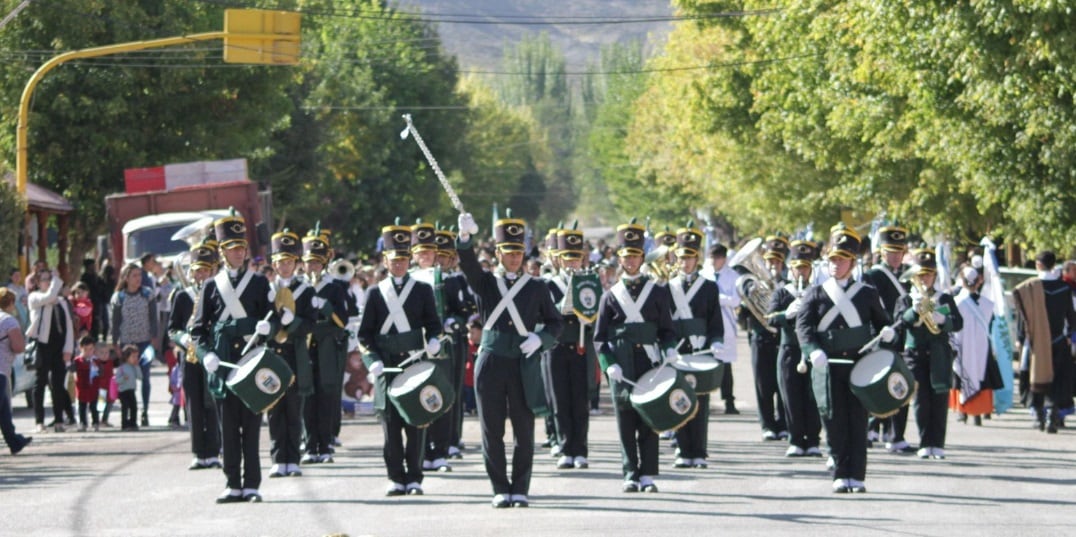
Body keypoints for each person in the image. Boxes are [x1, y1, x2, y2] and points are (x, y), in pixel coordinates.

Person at [455, 210, 563, 508]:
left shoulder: (537, 287)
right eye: (508, 251)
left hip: (522, 362)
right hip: (490, 361)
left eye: (518, 252)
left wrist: (540, 339)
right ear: (499, 253)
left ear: (524, 253)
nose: (514, 257)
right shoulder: (487, 284)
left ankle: (521, 488)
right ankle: (499, 488)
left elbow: (556, 323)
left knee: (524, 429)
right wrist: (464, 239)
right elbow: (468, 265)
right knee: (492, 429)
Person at [796, 223, 893, 493]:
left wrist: (886, 334)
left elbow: (882, 323)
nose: (836, 265)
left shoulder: (866, 293)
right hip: (827, 367)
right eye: (833, 260)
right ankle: (840, 473)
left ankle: (857, 476)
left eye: (841, 260)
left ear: (852, 262)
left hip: (859, 365)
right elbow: (803, 328)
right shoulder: (816, 294)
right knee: (834, 421)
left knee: (857, 421)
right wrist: (812, 350)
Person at [191, 211, 277, 503]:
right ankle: (232, 483)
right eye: (233, 249)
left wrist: (268, 327)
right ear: (223, 252)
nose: (239, 253)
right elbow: (198, 330)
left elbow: (273, 319)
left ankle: (252, 483)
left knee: (251, 426)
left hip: (251, 363)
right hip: (223, 362)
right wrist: (206, 356)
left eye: (242, 248)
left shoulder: (259, 283)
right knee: (227, 427)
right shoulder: (211, 286)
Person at [359, 222, 442, 496]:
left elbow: (433, 323)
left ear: (410, 260)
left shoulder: (422, 290)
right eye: (394, 260)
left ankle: (415, 477)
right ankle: (395, 477)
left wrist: (432, 340)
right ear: (385, 260)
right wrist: (373, 362)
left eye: (404, 260)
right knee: (391, 425)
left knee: (416, 423)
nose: (399, 265)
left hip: (414, 362)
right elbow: (364, 335)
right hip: (386, 365)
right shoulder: (374, 292)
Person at [595, 220, 677, 494]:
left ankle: (648, 476)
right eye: (626, 256)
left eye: (635, 255)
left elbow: (666, 330)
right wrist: (609, 365)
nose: (630, 260)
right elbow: (600, 338)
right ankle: (630, 472)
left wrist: (670, 350)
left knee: (649, 420)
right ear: (619, 259)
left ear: (642, 257)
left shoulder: (657, 292)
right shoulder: (609, 296)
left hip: (650, 363)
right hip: (622, 364)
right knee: (626, 420)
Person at [895, 247, 963, 459]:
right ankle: (925, 442)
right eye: (921, 274)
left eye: (928, 274)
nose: (925, 278)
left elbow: (958, 323)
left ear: (934, 275)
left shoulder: (944, 299)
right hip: (915, 354)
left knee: (940, 398)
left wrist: (943, 320)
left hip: (939, 354)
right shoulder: (907, 298)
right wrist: (913, 311)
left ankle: (938, 444)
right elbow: (899, 322)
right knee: (921, 400)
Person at [669, 224, 726, 468]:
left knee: (701, 403)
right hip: (679, 351)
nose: (685, 263)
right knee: (679, 400)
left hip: (701, 350)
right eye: (682, 258)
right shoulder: (668, 288)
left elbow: (715, 321)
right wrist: (668, 347)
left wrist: (716, 342)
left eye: (690, 258)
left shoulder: (709, 287)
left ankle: (699, 452)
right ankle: (683, 450)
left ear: (697, 259)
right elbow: (665, 323)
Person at [545, 225, 599, 470]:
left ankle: (581, 449)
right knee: (559, 400)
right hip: (557, 346)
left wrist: (588, 316)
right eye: (567, 258)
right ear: (559, 259)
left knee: (580, 400)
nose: (572, 264)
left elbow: (598, 313)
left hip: (580, 346)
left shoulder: (590, 281)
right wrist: (562, 307)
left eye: (576, 259)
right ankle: (566, 448)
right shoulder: (549, 284)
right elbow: (543, 313)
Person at [170, 238, 223, 470]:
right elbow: (172, 328)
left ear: (213, 270)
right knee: (193, 404)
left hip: (211, 354)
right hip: (190, 355)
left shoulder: (218, 293)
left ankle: (214, 450)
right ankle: (198, 452)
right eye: (197, 270)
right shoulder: (183, 296)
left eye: (205, 270)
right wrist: (183, 338)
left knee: (212, 401)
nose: (201, 274)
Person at [768, 239, 824, 458]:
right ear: (791, 268)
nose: (801, 272)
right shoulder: (782, 292)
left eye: (805, 267)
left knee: (813, 396)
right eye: (797, 267)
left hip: (812, 350)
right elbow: (770, 319)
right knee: (790, 396)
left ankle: (813, 440)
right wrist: (787, 314)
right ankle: (795, 439)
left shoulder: (818, 291)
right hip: (789, 349)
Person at [266, 229, 315, 478]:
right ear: (273, 264)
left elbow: (311, 324)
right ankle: (277, 458)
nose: (285, 267)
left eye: (289, 262)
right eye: (280, 262)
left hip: (295, 353)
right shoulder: (267, 290)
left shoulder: (306, 291)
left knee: (294, 409)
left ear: (296, 263)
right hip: (273, 354)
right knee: (274, 408)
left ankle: (293, 459)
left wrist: (293, 321)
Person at [862, 225, 915, 453]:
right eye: (890, 252)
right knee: (878, 386)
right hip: (881, 337)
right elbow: (869, 308)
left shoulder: (910, 276)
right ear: (881, 252)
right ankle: (872, 427)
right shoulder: (872, 275)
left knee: (900, 386)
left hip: (904, 339)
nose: (895, 256)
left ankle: (896, 436)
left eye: (899, 252)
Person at [1012, 251, 1076, 433]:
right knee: (1057, 379)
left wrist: (1020, 338)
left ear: (1038, 265)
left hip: (1035, 342)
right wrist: (1071, 334)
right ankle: (1053, 416)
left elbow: (1022, 319)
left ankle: (1039, 416)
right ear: (1053, 264)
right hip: (1058, 339)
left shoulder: (1029, 288)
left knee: (1036, 378)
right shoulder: (1064, 288)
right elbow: (1071, 316)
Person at [300, 225, 349, 465]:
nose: (313, 267)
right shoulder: (300, 287)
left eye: (317, 263)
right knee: (307, 395)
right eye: (310, 263)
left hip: (327, 345)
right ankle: (310, 444)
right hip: (305, 346)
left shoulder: (334, 288)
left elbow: (343, 320)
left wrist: (326, 307)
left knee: (327, 394)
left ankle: (326, 443)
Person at [738, 235, 790, 440]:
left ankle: (784, 423)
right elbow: (743, 318)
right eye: (768, 261)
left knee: (783, 383)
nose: (772, 265)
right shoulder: (753, 286)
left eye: (776, 261)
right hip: (760, 338)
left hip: (782, 339)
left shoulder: (788, 285)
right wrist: (748, 300)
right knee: (763, 384)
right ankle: (767, 425)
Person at [436, 226, 477, 460]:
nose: (442, 260)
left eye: (446, 256)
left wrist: (456, 321)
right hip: (432, 342)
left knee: (455, 389)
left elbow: (469, 309)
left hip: (454, 341)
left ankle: (453, 438)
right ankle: (437, 438)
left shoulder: (459, 280)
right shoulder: (428, 279)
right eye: (439, 255)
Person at [950, 266, 1002, 426]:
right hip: (981, 348)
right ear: (978, 282)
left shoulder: (956, 302)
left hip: (962, 347)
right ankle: (978, 413)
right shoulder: (987, 305)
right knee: (981, 375)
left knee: (961, 376)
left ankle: (963, 410)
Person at [109, 262, 158, 428]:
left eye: (140, 275)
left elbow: (153, 317)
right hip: (126, 344)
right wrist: (114, 342)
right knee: (127, 379)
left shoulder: (147, 294)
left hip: (144, 342)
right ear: (126, 278)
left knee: (144, 376)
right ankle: (128, 413)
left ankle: (144, 411)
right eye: (134, 276)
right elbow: (114, 322)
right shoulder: (118, 298)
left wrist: (154, 337)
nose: (138, 279)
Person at [27, 267, 75, 433]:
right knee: (40, 382)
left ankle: (59, 420)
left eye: (50, 278)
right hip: (42, 345)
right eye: (45, 279)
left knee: (58, 383)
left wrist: (68, 348)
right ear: (38, 282)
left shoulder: (61, 301)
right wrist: (57, 279)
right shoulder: (35, 298)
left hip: (59, 346)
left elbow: (69, 326)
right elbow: (48, 297)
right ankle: (39, 421)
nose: (49, 282)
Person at [708, 244, 741, 414]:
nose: (714, 261)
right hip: (707, 325)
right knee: (706, 363)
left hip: (726, 324)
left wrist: (717, 298)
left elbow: (736, 301)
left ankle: (729, 401)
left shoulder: (733, 276)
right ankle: (704, 401)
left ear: (724, 259)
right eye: (712, 257)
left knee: (726, 366)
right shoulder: (704, 274)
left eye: (717, 258)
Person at [0, 288, 32, 454]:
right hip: (1, 370)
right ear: (11, 303)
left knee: (4, 409)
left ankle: (14, 441)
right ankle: (14, 441)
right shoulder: (9, 321)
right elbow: (18, 347)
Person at [72, 335, 102, 431]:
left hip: (93, 388)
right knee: (82, 406)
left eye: (91, 349)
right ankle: (82, 423)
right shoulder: (77, 361)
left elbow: (101, 372)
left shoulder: (96, 360)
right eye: (86, 349)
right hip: (81, 387)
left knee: (94, 406)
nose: (88, 352)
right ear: (80, 348)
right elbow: (72, 370)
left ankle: (95, 422)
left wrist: (96, 368)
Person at [115, 344, 143, 431]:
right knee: (125, 407)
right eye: (133, 356)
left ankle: (133, 423)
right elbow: (117, 380)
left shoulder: (134, 367)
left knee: (134, 407)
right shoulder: (122, 368)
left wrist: (137, 367)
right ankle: (124, 423)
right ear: (127, 357)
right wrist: (123, 378)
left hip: (131, 390)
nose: (135, 359)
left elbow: (140, 377)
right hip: (123, 391)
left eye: (136, 356)